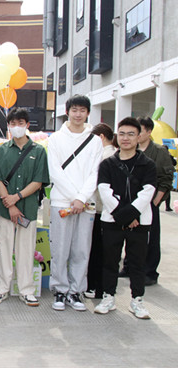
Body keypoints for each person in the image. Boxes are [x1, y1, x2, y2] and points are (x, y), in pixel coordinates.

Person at [94, 117, 157, 319]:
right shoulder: (107, 164)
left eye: (131, 134)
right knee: (110, 261)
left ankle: (137, 300)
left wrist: (130, 214)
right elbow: (104, 190)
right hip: (112, 222)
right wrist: (124, 216)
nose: (126, 138)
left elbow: (148, 191)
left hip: (140, 222)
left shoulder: (147, 164)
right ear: (116, 137)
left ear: (139, 137)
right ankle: (108, 297)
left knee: (137, 263)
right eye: (121, 134)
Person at [0, 108, 49, 307]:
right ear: (8, 126)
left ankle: (26, 290)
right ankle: (1, 288)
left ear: (27, 125)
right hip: (5, 209)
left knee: (26, 249)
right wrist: (9, 202)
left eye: (20, 123)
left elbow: (38, 181)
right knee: (3, 248)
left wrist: (17, 197)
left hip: (28, 208)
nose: (16, 127)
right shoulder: (1, 151)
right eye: (12, 124)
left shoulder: (38, 151)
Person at [47, 95, 103, 311]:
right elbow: (55, 171)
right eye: (74, 110)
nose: (78, 114)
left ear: (88, 113)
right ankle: (60, 290)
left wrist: (82, 198)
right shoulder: (56, 139)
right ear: (67, 112)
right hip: (61, 202)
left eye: (82, 110)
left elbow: (95, 172)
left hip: (86, 204)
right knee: (60, 249)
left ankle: (76, 291)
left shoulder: (95, 141)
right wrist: (74, 197)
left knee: (81, 249)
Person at [119, 117, 174, 286]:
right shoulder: (130, 150)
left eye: (139, 131)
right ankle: (128, 267)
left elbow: (166, 179)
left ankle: (150, 272)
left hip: (150, 203)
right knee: (129, 235)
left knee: (151, 238)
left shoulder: (159, 151)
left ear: (149, 132)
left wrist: (155, 201)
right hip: (131, 202)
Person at [85, 123, 116, 299]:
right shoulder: (115, 155)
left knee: (97, 250)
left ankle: (95, 287)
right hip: (109, 211)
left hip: (100, 209)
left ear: (101, 137)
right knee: (106, 251)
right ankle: (101, 287)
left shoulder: (104, 156)